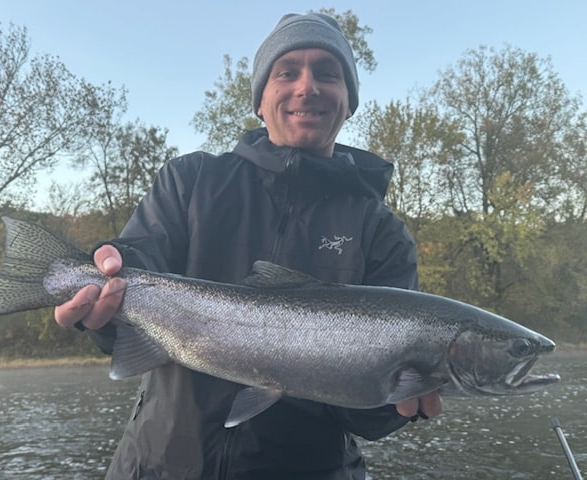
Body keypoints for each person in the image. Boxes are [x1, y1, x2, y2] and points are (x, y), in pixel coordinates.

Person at [55, 12, 442, 480]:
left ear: (349, 101)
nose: (307, 87)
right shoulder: (190, 181)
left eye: (327, 73)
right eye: (287, 72)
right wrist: (99, 307)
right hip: (157, 467)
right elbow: (134, 272)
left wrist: (395, 402)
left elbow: (363, 418)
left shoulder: (381, 231)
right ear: (260, 99)